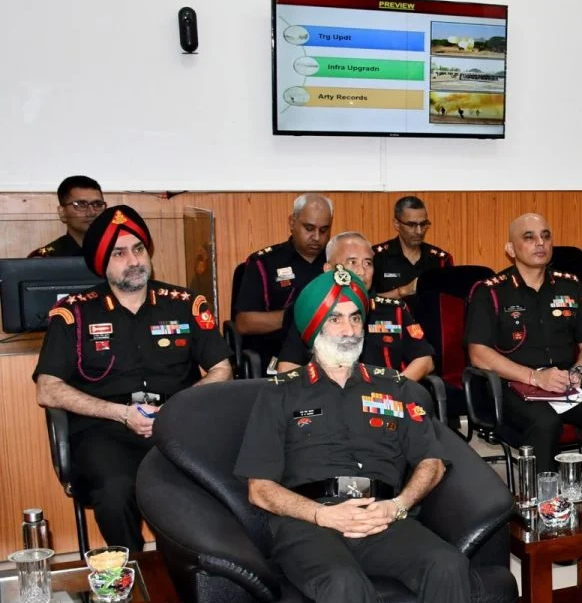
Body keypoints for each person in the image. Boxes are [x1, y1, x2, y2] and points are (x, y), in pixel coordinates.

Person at [234, 269, 481, 603]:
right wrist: (324, 517)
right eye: (334, 319)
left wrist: (398, 506)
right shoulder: (279, 395)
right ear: (313, 329)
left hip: (383, 515)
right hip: (309, 524)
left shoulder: (395, 388)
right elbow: (259, 489)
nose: (348, 328)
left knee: (445, 563)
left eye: (355, 317)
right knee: (342, 585)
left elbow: (434, 461)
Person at [33, 206, 232, 551]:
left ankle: (193, 571)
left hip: (176, 426)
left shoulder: (184, 304)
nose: (134, 260)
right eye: (120, 253)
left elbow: (222, 370)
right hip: (107, 430)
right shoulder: (74, 313)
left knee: (206, 484)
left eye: (138, 249)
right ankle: (134, 573)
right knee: (114, 491)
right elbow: (47, 389)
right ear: (101, 262)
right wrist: (122, 414)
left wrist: (173, 412)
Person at [464, 213, 582, 470]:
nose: (540, 243)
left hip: (564, 382)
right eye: (529, 237)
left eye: (545, 236)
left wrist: (578, 371)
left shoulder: (569, 286)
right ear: (510, 249)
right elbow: (478, 354)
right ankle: (541, 500)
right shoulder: (490, 291)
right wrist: (535, 378)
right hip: (513, 384)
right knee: (545, 422)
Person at [275, 232, 434, 380]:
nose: (361, 271)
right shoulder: (312, 311)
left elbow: (425, 360)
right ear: (328, 269)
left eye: (368, 263)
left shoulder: (394, 310)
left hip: (382, 402)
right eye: (352, 262)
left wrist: (397, 387)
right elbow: (287, 367)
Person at [232, 193, 333, 369]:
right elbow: (243, 323)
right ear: (292, 222)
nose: (317, 237)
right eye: (309, 228)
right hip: (277, 357)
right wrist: (298, 315)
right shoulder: (264, 263)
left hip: (330, 358)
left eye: (324, 230)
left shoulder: (336, 262)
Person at [373, 196, 454, 300]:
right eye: (412, 225)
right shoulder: (377, 257)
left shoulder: (441, 260)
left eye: (423, 224)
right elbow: (364, 303)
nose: (419, 231)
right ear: (397, 224)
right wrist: (402, 292)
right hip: (390, 316)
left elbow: (452, 301)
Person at [28, 175, 106, 258]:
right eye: (81, 205)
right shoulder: (45, 257)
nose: (92, 212)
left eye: (97, 204)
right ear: (62, 212)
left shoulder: (116, 252)